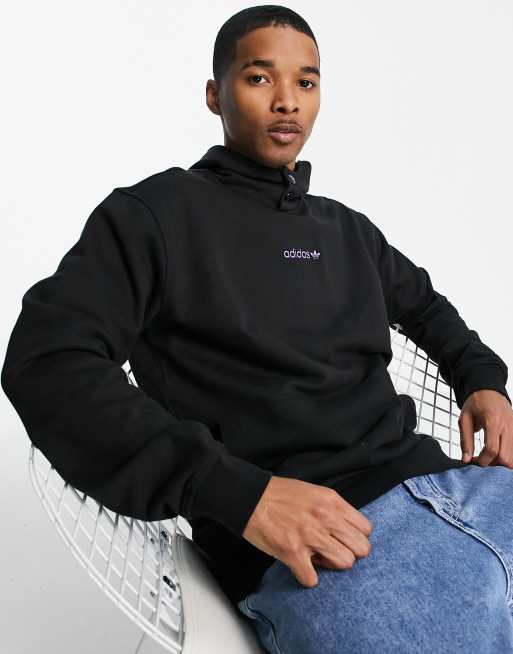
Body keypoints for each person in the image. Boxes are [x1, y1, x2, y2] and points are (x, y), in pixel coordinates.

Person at [2, 4, 513, 652]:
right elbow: (47, 360)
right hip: (331, 547)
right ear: (215, 94)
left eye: (306, 81)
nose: (286, 101)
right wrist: (237, 494)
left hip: (467, 492)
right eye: (259, 77)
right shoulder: (155, 217)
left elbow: (426, 307)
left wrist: (482, 380)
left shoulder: (344, 229)